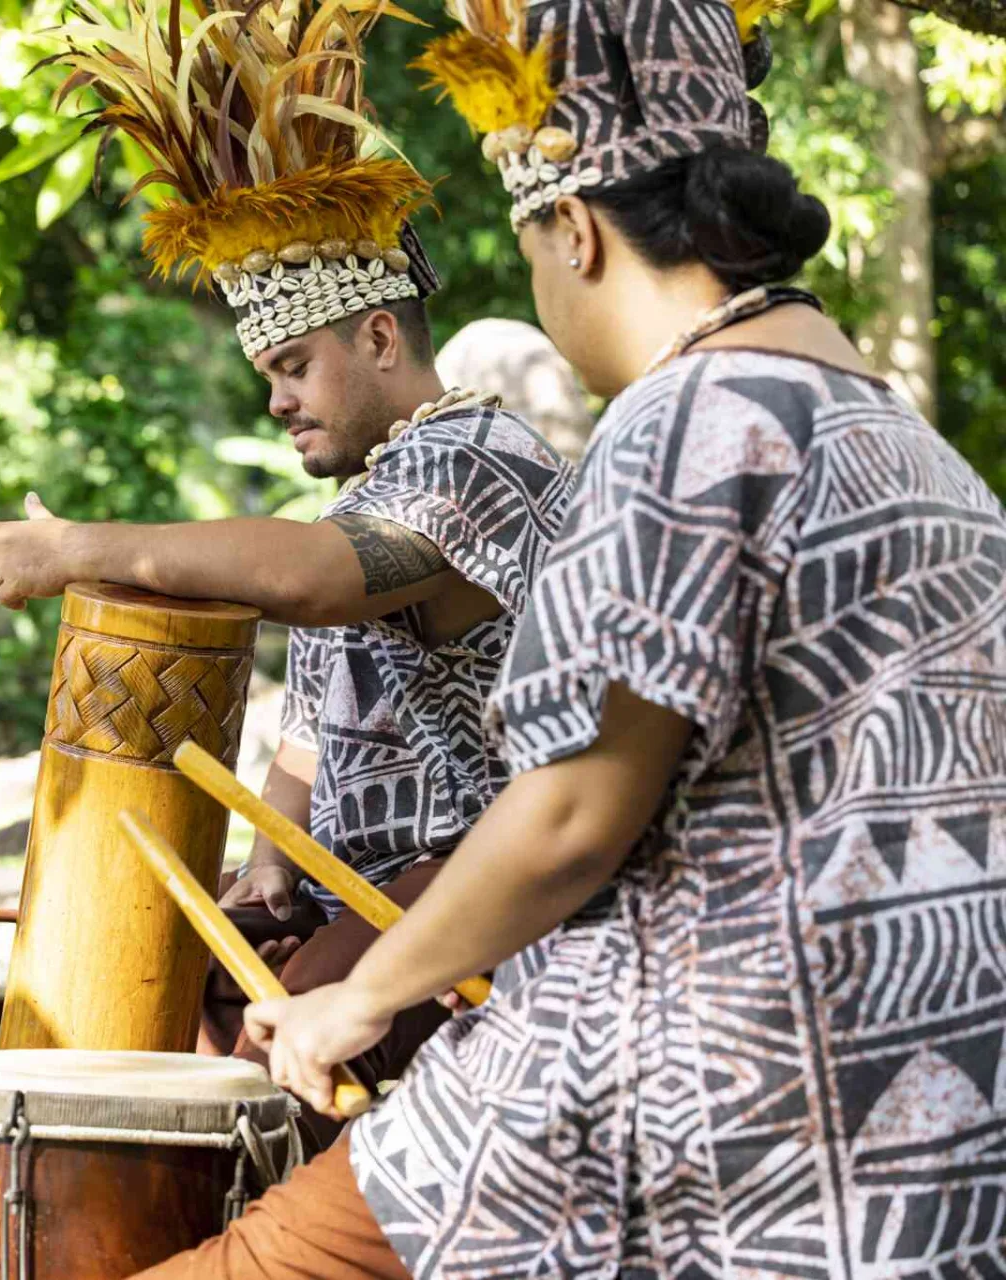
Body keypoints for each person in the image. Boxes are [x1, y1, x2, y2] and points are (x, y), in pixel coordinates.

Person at [145, 1, 1006, 1276]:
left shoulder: (687, 428)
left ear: (577, 230)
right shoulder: (919, 454)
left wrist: (358, 997)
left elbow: (569, 818)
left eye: (533, 254)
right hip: (931, 1144)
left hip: (680, 1103)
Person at [0, 0, 574, 1145]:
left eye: (294, 365)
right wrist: (258, 871)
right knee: (175, 1014)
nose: (275, 399)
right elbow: (307, 744)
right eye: (266, 370)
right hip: (359, 887)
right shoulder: (356, 498)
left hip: (494, 882)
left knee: (284, 1041)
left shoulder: (479, 458)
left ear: (380, 336)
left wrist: (85, 548)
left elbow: (321, 579)